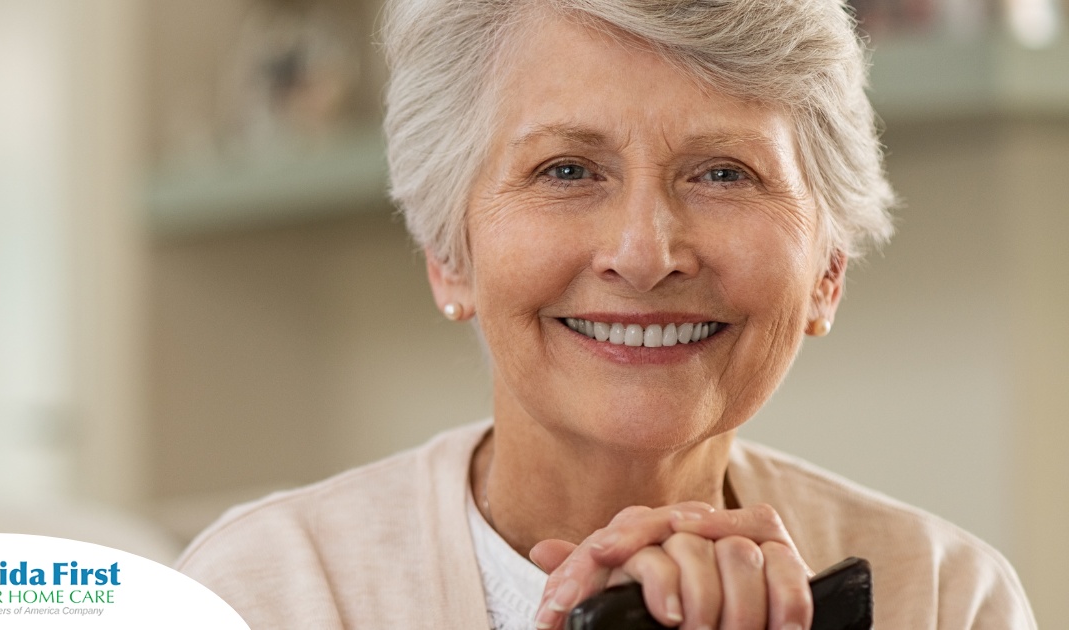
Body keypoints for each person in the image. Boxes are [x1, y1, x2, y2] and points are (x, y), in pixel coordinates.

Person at [177, 0, 1036, 628]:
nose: (645, 251)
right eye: (566, 171)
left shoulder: (944, 597)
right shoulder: (260, 594)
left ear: (828, 269)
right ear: (449, 254)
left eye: (725, 173)